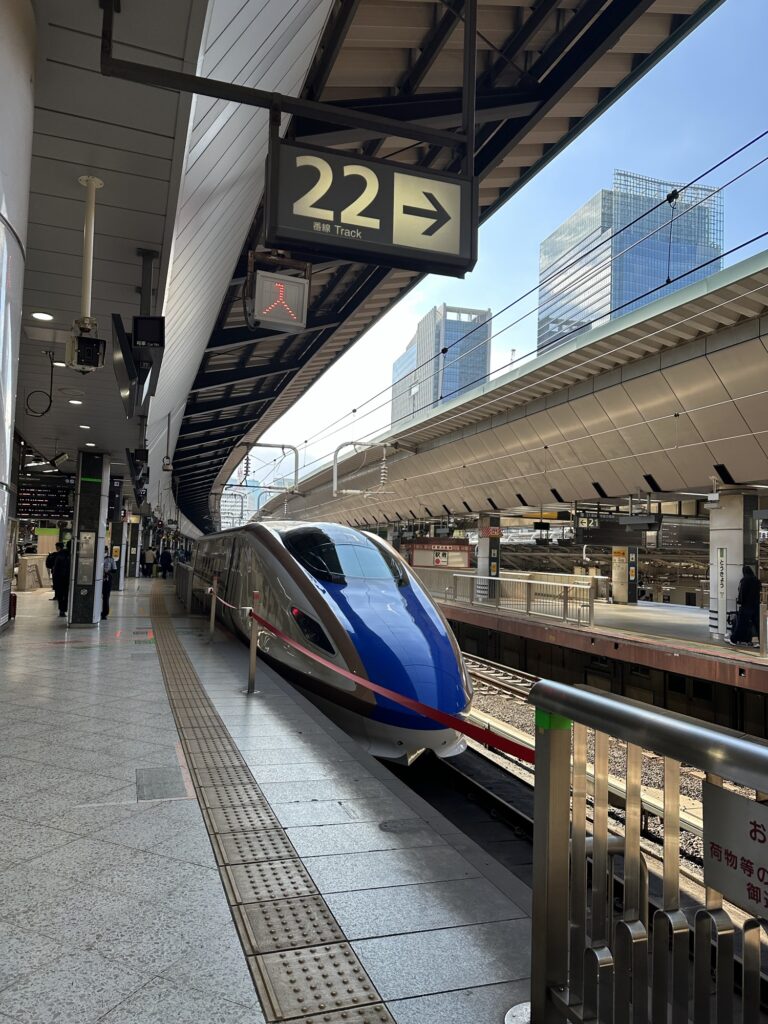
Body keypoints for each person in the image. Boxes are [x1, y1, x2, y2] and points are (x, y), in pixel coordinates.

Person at [731, 565, 761, 645]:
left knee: (741, 624)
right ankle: (760, 642)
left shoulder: (744, 580)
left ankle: (734, 640)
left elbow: (742, 593)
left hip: (746, 606)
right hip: (756, 606)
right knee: (757, 624)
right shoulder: (757, 580)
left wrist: (740, 602)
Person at [51, 541, 71, 618]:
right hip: (66, 577)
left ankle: (62, 610)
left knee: (61, 594)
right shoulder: (70, 555)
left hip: (59, 577)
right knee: (66, 594)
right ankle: (64, 609)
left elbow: (54, 566)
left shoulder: (59, 554)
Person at [102, 546, 117, 620]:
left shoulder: (111, 559)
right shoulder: (98, 558)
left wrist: (108, 572)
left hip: (107, 579)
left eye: (105, 551)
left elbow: (114, 569)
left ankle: (104, 613)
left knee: (106, 597)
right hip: (98, 579)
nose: (104, 552)